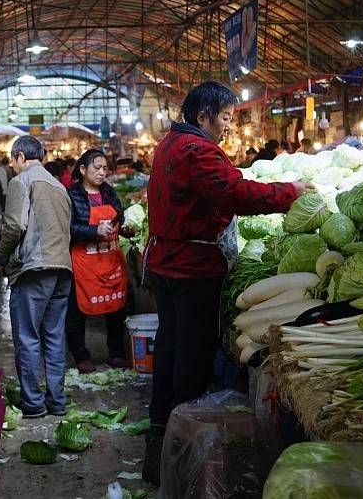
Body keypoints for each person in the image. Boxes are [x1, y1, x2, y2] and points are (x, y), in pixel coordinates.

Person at [141, 82, 306, 484]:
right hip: (190, 267)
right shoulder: (196, 149)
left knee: (170, 346)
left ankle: (160, 439)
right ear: (203, 117)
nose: (229, 127)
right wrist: (290, 192)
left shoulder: (169, 144)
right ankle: (184, 446)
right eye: (227, 118)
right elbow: (234, 193)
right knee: (191, 356)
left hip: (166, 261)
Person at [0, 136, 72, 419]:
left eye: (13, 160)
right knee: (53, 338)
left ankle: (34, 404)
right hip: (63, 269)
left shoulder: (21, 181)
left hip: (35, 269)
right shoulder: (59, 186)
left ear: (19, 157)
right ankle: (57, 401)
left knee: (27, 338)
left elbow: (14, 226)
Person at [65, 149, 129, 373]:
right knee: (77, 311)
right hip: (84, 263)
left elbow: (119, 218)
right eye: (97, 168)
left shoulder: (109, 192)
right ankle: (81, 355)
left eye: (105, 168)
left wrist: (127, 229)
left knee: (116, 308)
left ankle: (117, 353)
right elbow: (68, 228)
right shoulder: (71, 195)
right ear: (82, 169)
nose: (102, 173)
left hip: (110, 259)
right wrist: (94, 230)